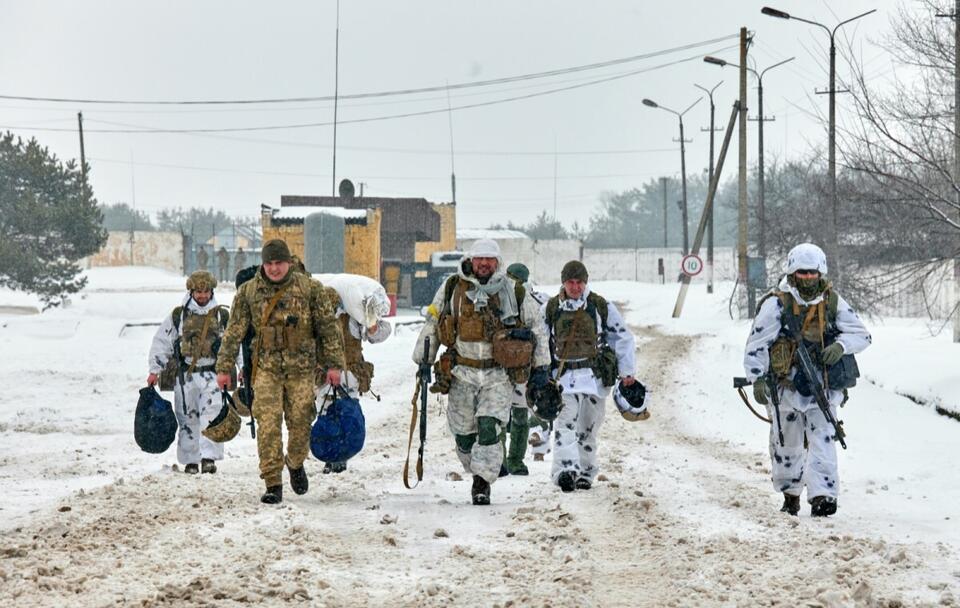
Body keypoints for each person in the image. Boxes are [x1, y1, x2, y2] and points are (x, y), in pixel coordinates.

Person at [412, 239, 551, 505]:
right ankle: (475, 464)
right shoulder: (453, 287)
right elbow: (433, 322)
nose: (484, 264)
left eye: (489, 259)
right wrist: (423, 360)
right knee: (463, 434)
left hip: (497, 375)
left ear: (497, 263)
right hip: (462, 373)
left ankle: (482, 483)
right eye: (479, 259)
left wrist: (541, 369)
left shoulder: (514, 290)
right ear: (471, 260)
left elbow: (537, 329)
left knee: (489, 427)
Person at [744, 243, 871, 517]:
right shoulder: (777, 303)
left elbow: (861, 335)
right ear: (793, 273)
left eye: (813, 274)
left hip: (820, 388)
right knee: (786, 443)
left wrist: (840, 347)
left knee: (824, 440)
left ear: (820, 272)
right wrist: (757, 379)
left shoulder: (831, 301)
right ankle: (791, 495)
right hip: (785, 387)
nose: (808, 279)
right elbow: (757, 343)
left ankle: (823, 496)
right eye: (802, 274)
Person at [215, 239, 345, 504]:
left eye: (279, 263)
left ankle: (295, 462)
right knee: (268, 426)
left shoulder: (310, 289)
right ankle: (273, 481)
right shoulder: (249, 292)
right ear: (263, 264)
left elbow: (328, 328)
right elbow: (233, 332)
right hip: (266, 371)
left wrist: (334, 364)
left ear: (288, 263)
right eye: (269, 263)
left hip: (300, 371)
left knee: (300, 424)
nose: (274, 269)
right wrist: (224, 367)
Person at [543, 260, 637, 492]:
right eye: (571, 282)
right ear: (563, 282)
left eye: (579, 282)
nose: (575, 287)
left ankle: (585, 472)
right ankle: (565, 470)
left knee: (588, 428)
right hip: (562, 379)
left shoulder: (599, 306)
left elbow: (621, 337)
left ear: (586, 282)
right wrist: (539, 373)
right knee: (564, 424)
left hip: (594, 379)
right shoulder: (551, 308)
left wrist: (627, 371)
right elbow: (541, 340)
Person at [146, 270, 230, 475]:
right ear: (191, 292)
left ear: (211, 291)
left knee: (211, 416)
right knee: (187, 417)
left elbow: (232, 343)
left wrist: (241, 367)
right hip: (186, 376)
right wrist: (154, 370)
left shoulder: (222, 315)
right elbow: (162, 342)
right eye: (198, 291)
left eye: (205, 291)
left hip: (212, 373)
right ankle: (191, 460)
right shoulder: (179, 316)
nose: (202, 296)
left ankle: (208, 458)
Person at [317, 284, 392, 474]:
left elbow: (381, 332)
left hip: (349, 375)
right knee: (326, 415)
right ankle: (331, 456)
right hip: (323, 376)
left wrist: (373, 326)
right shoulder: (317, 321)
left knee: (345, 417)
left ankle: (341, 456)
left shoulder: (353, 319)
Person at [499, 262, 550, 475]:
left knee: (500, 417)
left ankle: (501, 462)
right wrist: (542, 367)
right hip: (521, 366)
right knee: (518, 416)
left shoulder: (498, 293)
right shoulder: (531, 299)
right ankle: (515, 462)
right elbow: (540, 333)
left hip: (504, 363)